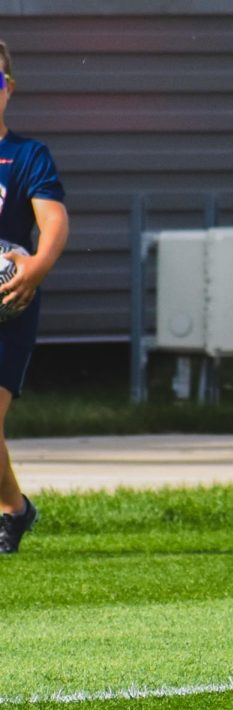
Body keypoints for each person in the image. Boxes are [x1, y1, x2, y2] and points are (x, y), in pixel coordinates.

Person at [0, 41, 69, 555]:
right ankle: (15, 510)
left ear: (9, 90)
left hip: (9, 307)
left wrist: (37, 266)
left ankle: (12, 513)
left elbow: (52, 220)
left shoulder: (27, 155)